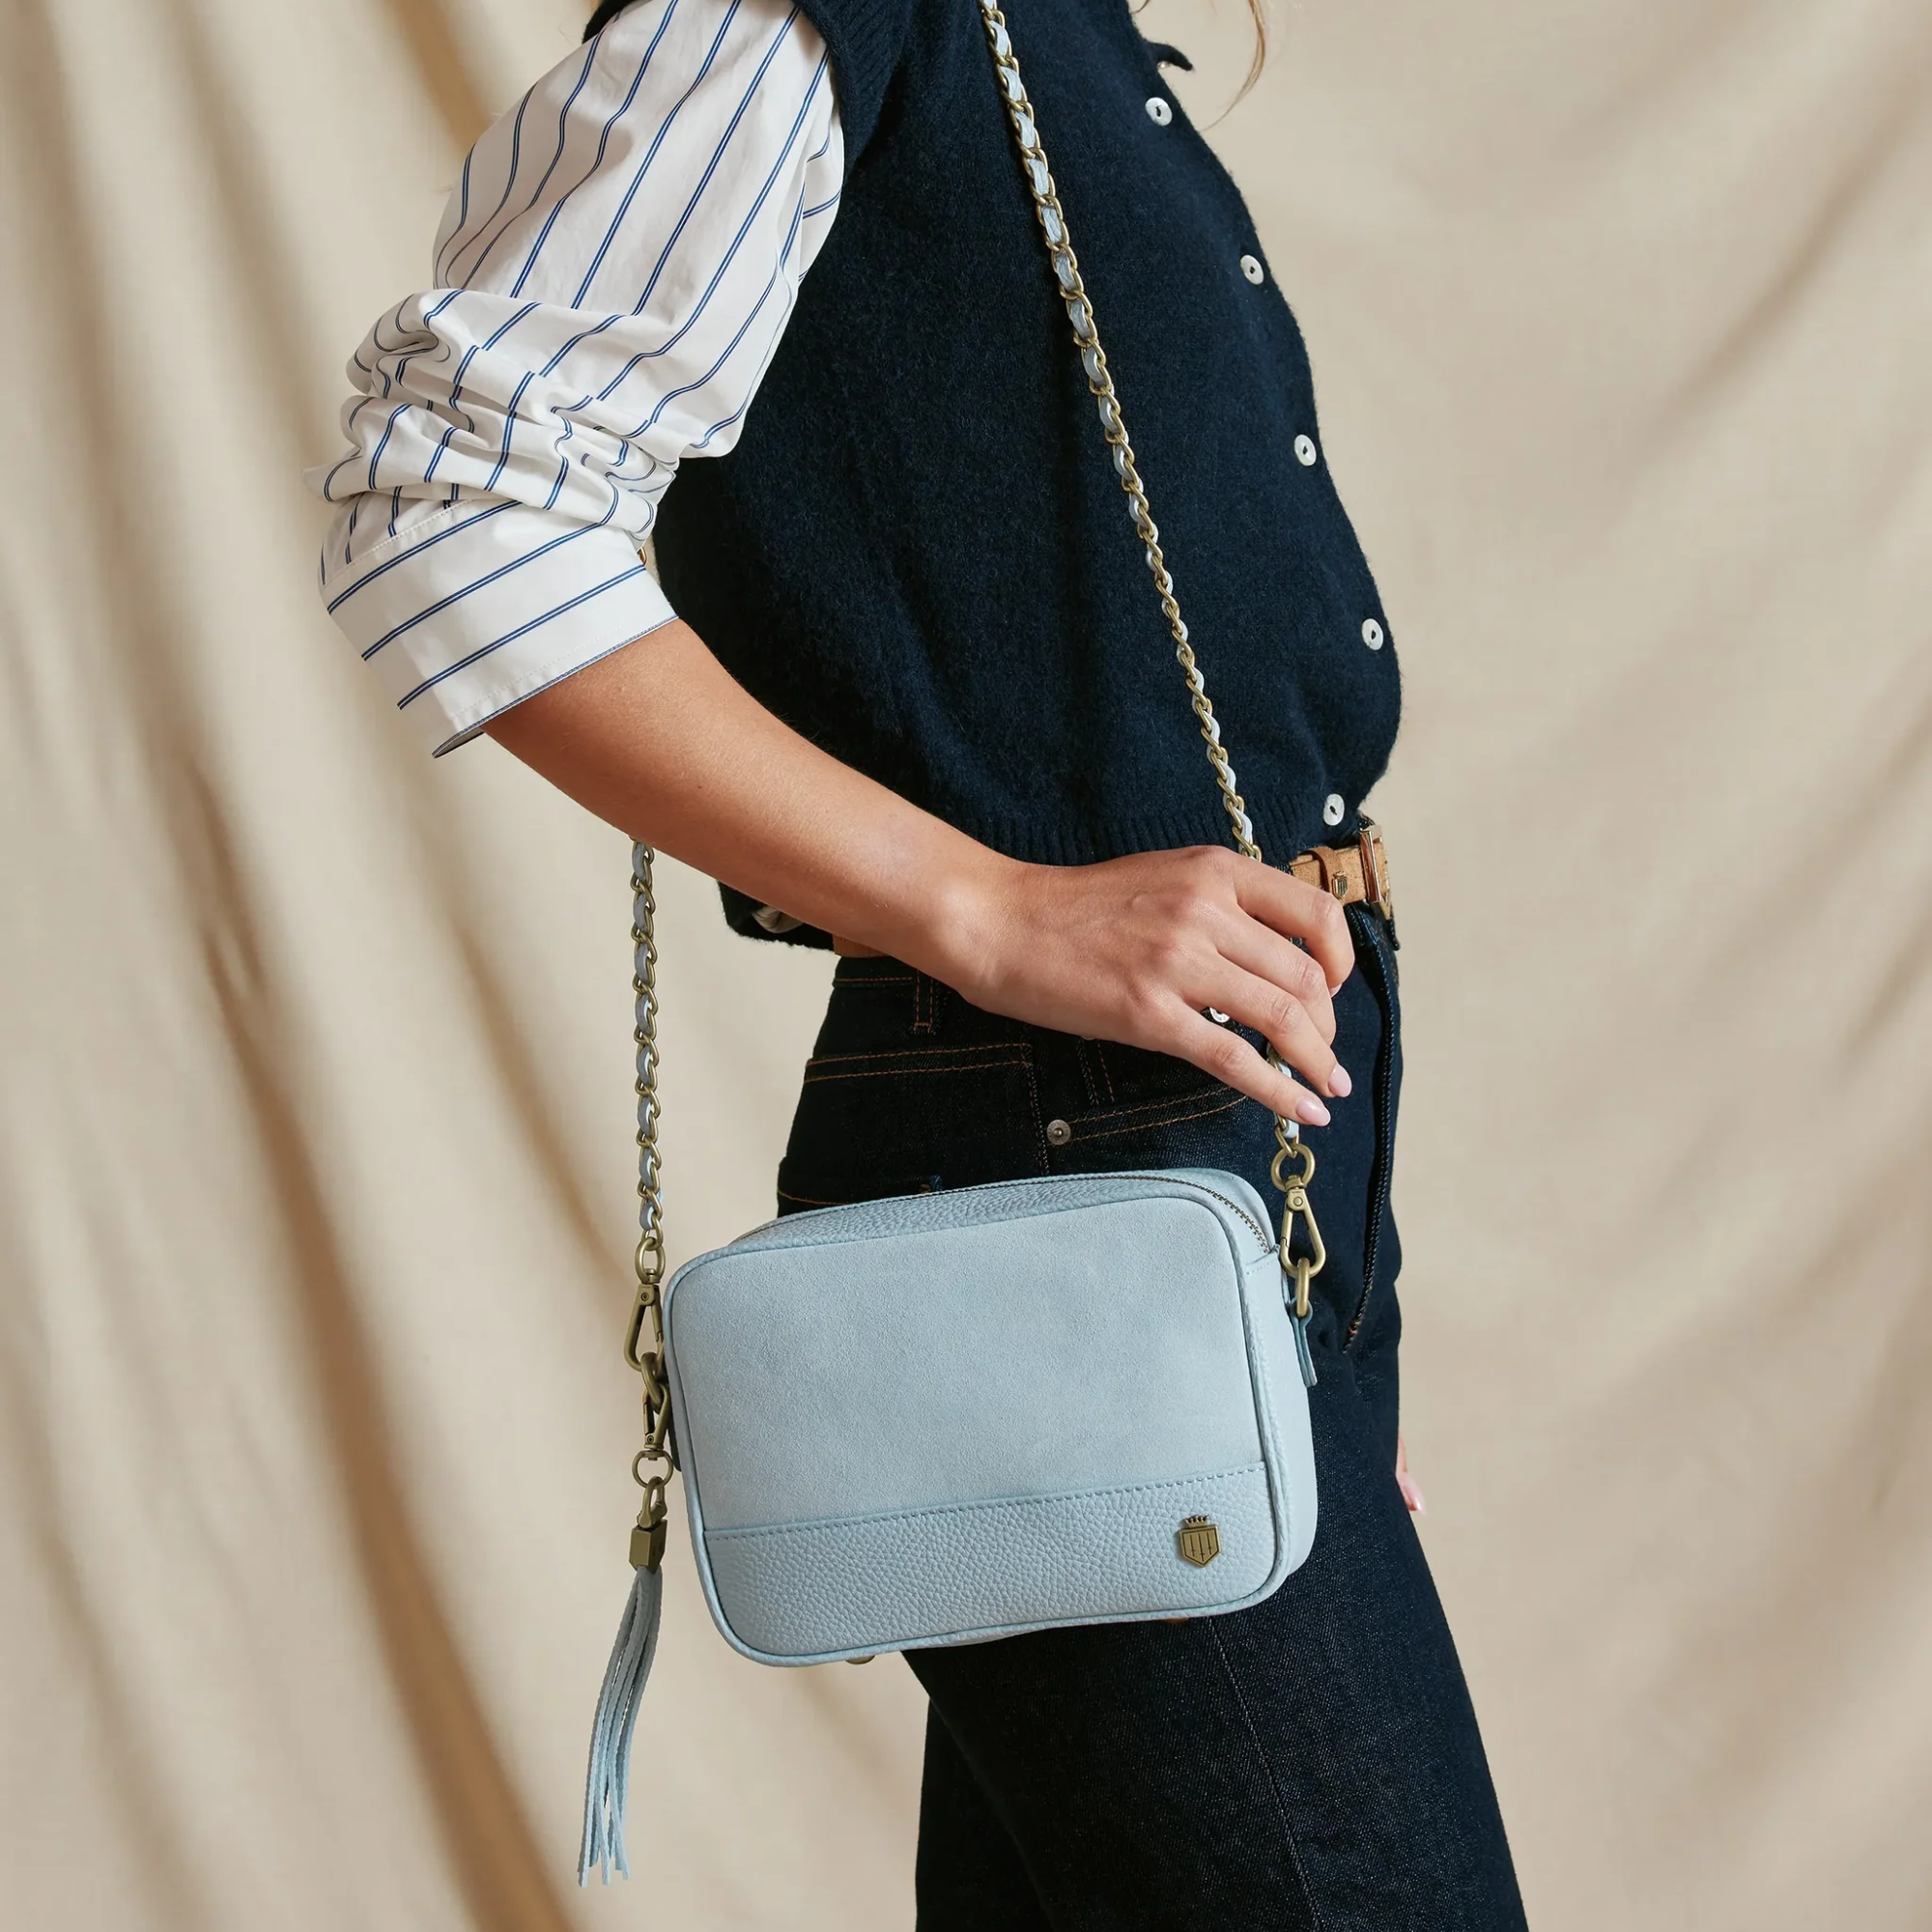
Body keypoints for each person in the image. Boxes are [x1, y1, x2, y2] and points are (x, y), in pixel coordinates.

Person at [311, 0, 1527, 1923]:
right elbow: (448, 491)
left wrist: (1325, 1329)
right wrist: (986, 906)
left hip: (1229, 1163)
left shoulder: (1059, 37)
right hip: (1080, 1158)